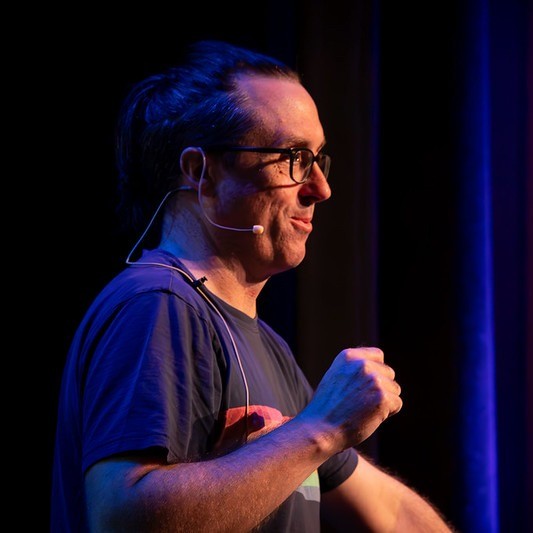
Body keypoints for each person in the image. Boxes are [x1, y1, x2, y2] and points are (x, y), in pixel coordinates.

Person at [51, 40, 454, 532]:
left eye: (317, 160)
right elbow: (122, 519)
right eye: (292, 157)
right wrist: (323, 427)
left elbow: (390, 512)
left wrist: (316, 433)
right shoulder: (158, 305)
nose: (320, 189)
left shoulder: (267, 346)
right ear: (202, 172)